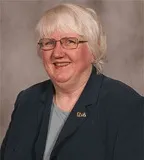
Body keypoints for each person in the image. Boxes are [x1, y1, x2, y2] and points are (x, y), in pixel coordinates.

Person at [0, 3, 143, 160]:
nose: (57, 53)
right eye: (49, 43)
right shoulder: (27, 100)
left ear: (93, 50)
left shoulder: (127, 106)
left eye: (69, 41)